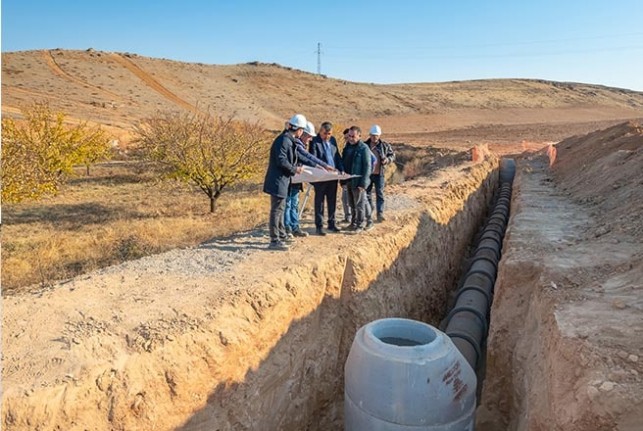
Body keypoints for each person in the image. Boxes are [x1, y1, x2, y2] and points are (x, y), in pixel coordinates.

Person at [263, 114, 306, 250]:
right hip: (278, 180)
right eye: (302, 130)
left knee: (280, 209)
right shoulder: (284, 141)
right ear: (298, 129)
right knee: (277, 209)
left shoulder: (288, 140)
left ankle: (281, 234)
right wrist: (295, 169)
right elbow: (281, 160)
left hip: (282, 180)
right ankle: (274, 240)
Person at [284, 121, 334, 237]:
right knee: (288, 204)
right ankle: (287, 228)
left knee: (294, 203)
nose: (310, 139)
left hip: (296, 180)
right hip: (289, 179)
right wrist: (321, 165)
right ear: (302, 133)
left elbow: (307, 157)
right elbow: (306, 157)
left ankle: (294, 226)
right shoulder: (295, 144)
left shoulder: (301, 144)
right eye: (309, 136)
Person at [308, 121, 344, 236]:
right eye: (325, 133)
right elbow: (313, 158)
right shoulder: (315, 141)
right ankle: (319, 226)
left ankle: (332, 224)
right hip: (321, 176)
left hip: (333, 176)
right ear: (320, 131)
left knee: (332, 200)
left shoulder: (333, 140)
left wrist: (341, 168)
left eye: (329, 134)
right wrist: (323, 168)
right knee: (319, 201)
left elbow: (337, 156)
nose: (327, 136)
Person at [342, 126, 373, 233]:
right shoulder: (347, 148)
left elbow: (368, 166)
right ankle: (353, 223)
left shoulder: (363, 148)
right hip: (349, 180)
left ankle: (360, 224)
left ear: (359, 136)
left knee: (359, 204)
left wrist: (363, 183)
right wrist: (343, 180)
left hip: (358, 181)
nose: (350, 138)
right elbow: (344, 163)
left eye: (353, 136)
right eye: (349, 136)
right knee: (351, 203)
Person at [365, 125, 395, 222]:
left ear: (379, 136)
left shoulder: (384, 146)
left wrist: (387, 160)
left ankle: (380, 214)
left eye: (376, 135)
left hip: (379, 174)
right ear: (370, 135)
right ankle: (369, 211)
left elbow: (392, 155)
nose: (374, 137)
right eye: (373, 135)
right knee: (367, 194)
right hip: (368, 174)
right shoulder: (365, 146)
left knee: (380, 194)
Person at [339, 128, 352, 224]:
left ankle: (353, 218)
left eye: (348, 137)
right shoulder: (346, 148)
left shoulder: (358, 148)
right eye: (345, 138)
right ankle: (348, 217)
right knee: (345, 199)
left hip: (353, 178)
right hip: (346, 177)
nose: (347, 139)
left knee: (353, 200)